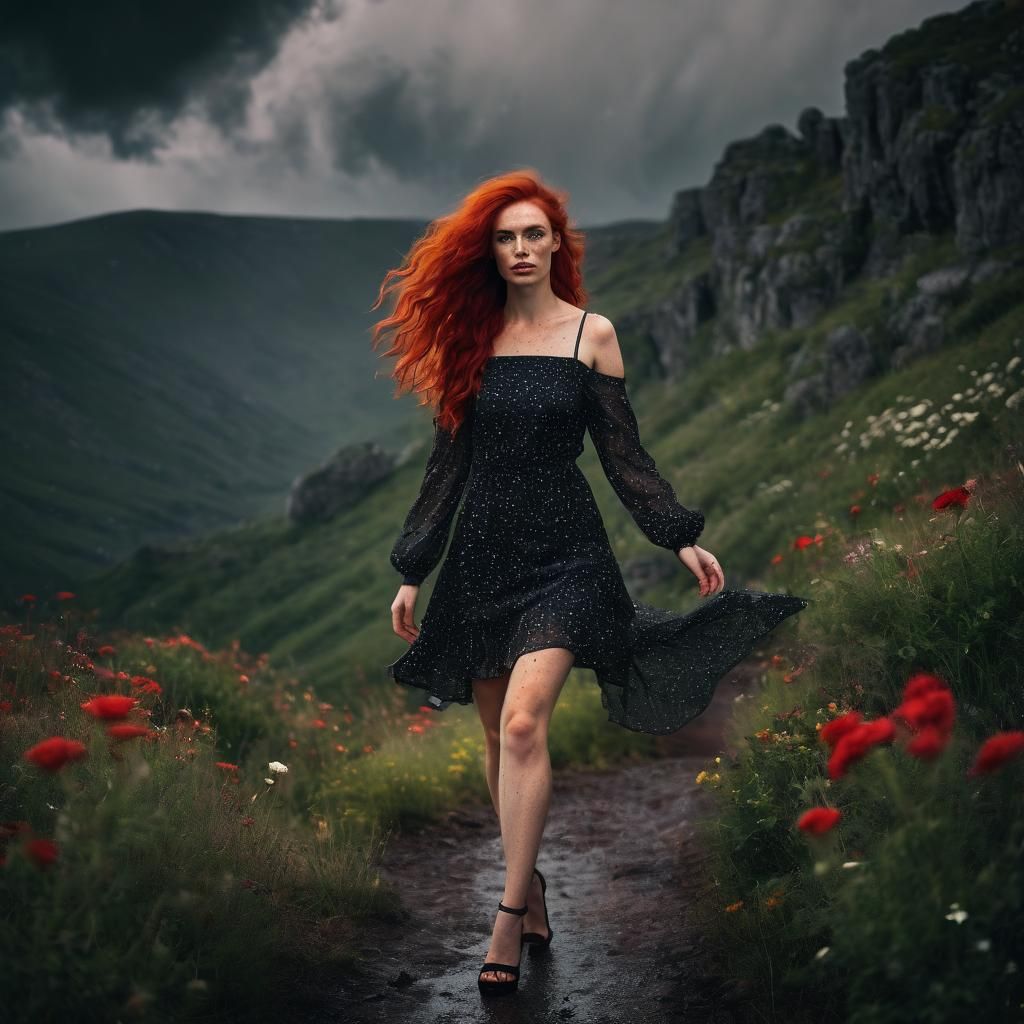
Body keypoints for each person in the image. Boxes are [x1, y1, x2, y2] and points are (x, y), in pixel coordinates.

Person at [372, 169, 808, 996]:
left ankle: (507, 914)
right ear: (489, 252)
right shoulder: (471, 341)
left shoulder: (591, 334)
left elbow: (623, 454)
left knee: (525, 724)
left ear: (556, 245)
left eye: (534, 234)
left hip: (568, 556)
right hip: (481, 558)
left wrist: (678, 536)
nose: (521, 248)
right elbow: (446, 467)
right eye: (506, 237)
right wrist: (412, 571)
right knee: (497, 737)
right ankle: (529, 882)